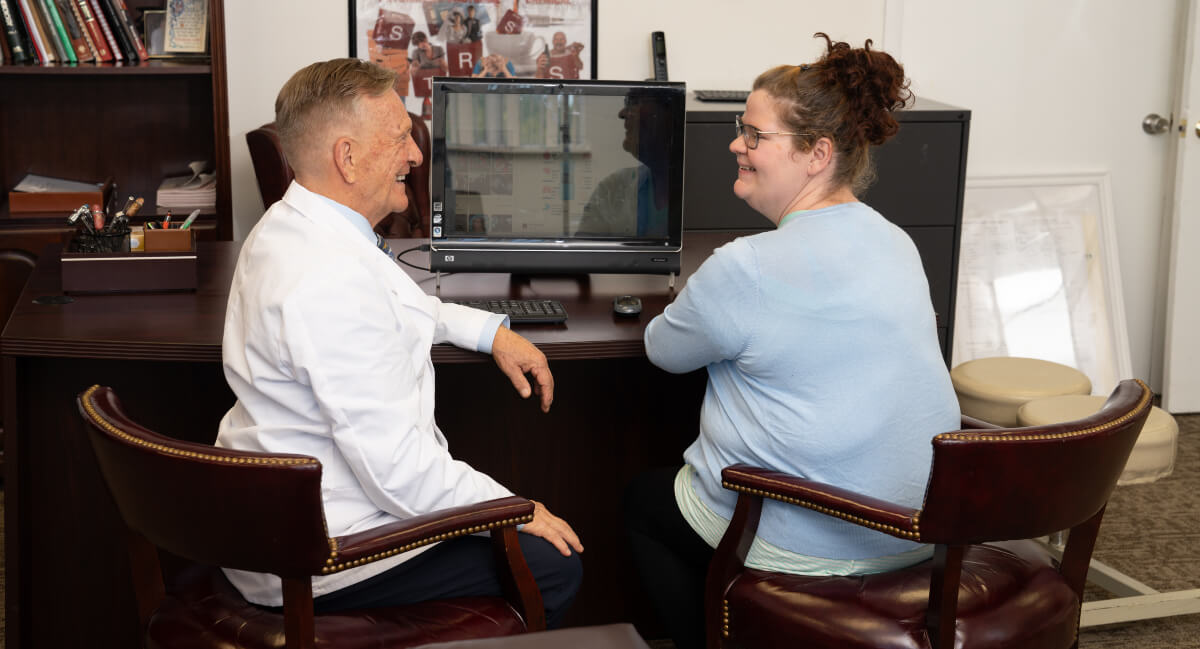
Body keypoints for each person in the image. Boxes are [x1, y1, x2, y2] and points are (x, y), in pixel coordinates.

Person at [216, 58, 583, 627]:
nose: (415, 155)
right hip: (325, 553)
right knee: (550, 564)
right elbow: (398, 473)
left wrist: (491, 331)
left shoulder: (298, 227)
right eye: (400, 139)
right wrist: (516, 509)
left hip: (282, 520)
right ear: (348, 156)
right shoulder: (327, 279)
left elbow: (401, 305)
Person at [623, 34, 960, 649]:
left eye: (755, 135)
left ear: (816, 153)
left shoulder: (744, 267)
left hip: (804, 541)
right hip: (917, 529)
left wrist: (694, 294)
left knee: (643, 504)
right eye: (740, 129)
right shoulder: (898, 242)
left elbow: (662, 350)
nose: (735, 145)